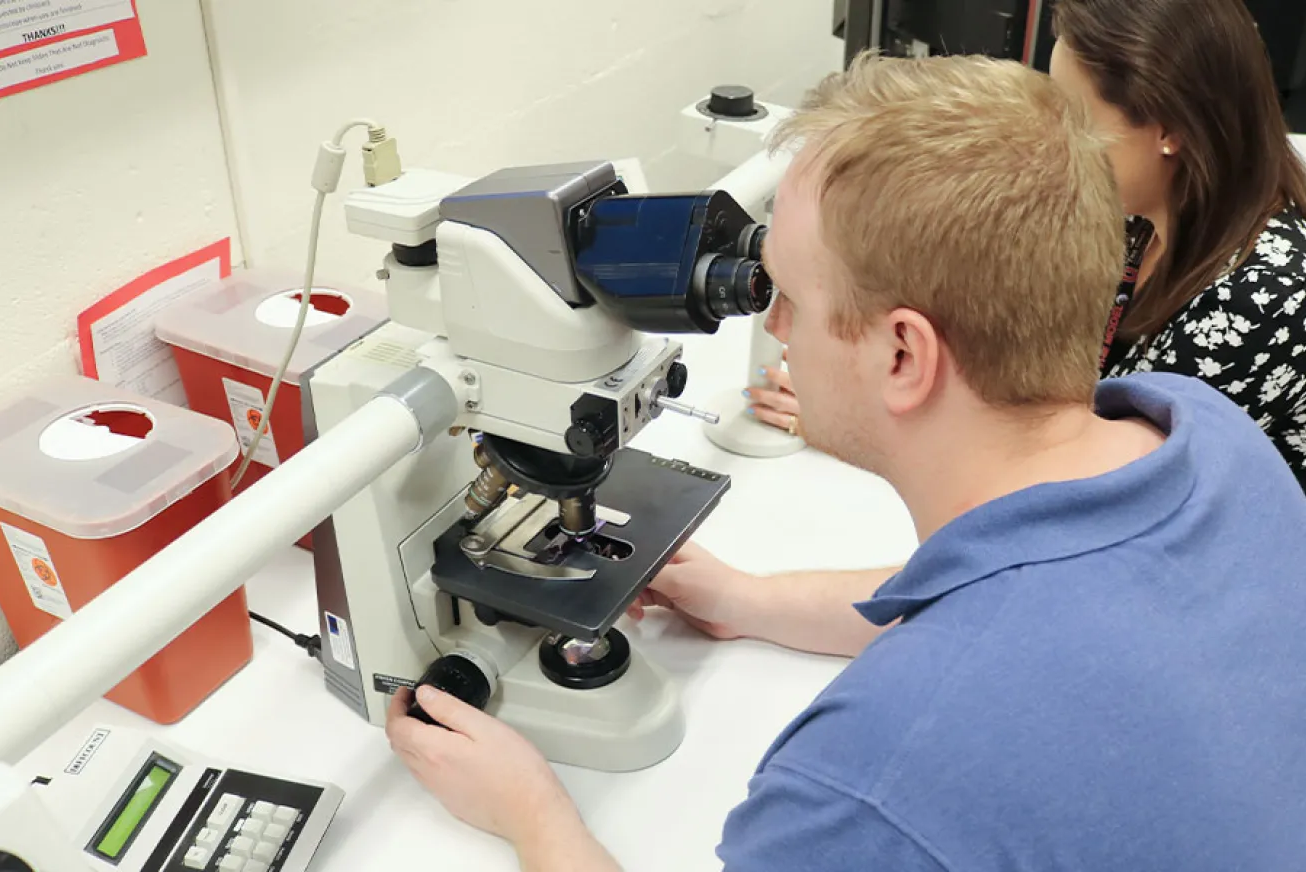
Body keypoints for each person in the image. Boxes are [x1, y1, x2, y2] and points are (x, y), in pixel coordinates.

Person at [384, 53, 1306, 870]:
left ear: (902, 356)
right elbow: (1014, 602)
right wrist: (751, 601)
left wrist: (534, 818)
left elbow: (979, 683)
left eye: (786, 293)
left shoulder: (870, 782)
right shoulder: (1204, 439)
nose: (771, 324)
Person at [748, 0, 1306, 490]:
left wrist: (863, 422)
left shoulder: (1263, 301)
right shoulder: (1144, 218)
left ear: (1170, 130)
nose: (1055, 140)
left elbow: (1089, 492)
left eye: (1077, 118)